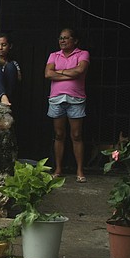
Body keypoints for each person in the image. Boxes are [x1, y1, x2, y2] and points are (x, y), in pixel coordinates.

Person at [44, 27, 90, 182]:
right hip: (56, 99)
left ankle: (79, 171)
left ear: (75, 40)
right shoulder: (53, 55)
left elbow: (80, 70)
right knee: (59, 135)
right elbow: (48, 74)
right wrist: (69, 72)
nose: (62, 41)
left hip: (75, 99)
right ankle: (58, 169)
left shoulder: (83, 54)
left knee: (76, 135)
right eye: (60, 38)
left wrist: (60, 72)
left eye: (66, 38)